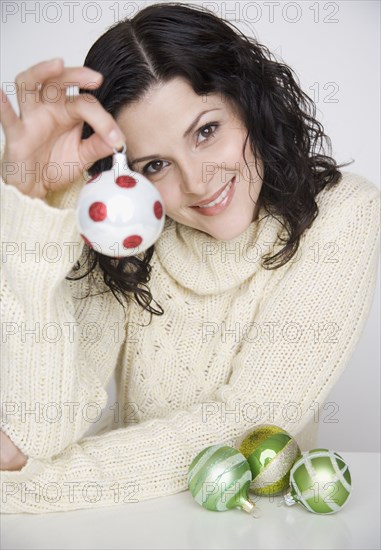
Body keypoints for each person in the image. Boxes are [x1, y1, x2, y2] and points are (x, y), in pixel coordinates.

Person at [0, 2, 379, 514]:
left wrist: (36, 487)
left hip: (260, 527)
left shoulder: (345, 212)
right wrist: (37, 206)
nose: (198, 182)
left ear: (249, 102)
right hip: (136, 520)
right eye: (156, 164)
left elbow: (246, 427)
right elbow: (34, 430)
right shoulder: (130, 231)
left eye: (206, 131)